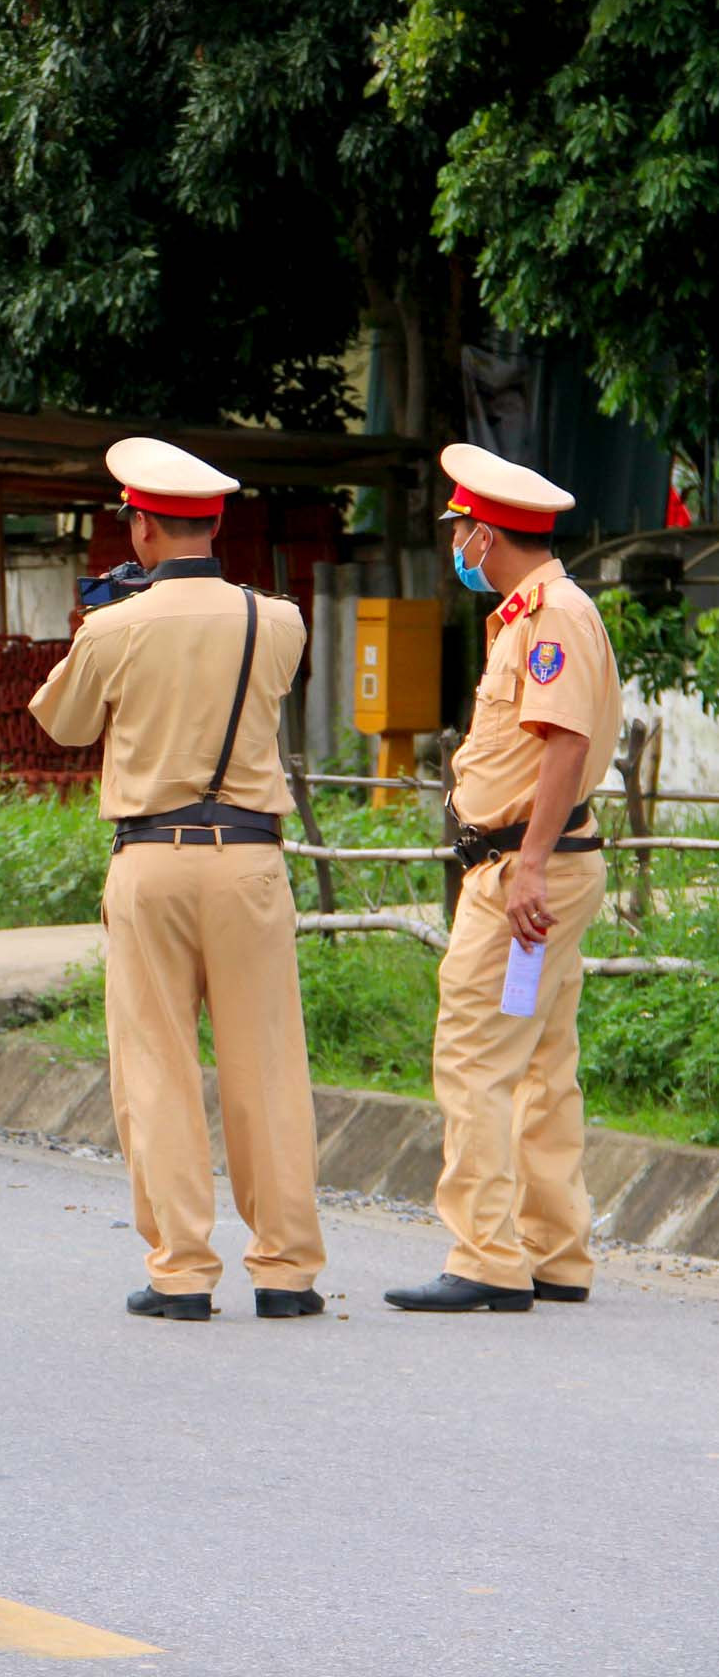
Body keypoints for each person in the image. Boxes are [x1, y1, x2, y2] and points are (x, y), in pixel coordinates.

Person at [29, 437, 327, 1321]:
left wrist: (113, 625)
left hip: (152, 860)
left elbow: (64, 724)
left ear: (144, 526)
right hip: (250, 862)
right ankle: (284, 1273)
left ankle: (183, 1273)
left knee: (156, 1066)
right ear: (217, 522)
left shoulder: (113, 626)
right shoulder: (278, 619)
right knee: (268, 1065)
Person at [385, 445, 618, 1314]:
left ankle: (486, 1254)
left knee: (476, 1054)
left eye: (459, 532)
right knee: (542, 1060)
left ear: (483, 533)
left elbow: (563, 746)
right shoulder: (535, 613)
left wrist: (524, 866)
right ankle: (555, 1251)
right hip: (543, 865)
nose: (457, 547)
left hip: (528, 871)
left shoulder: (552, 617)